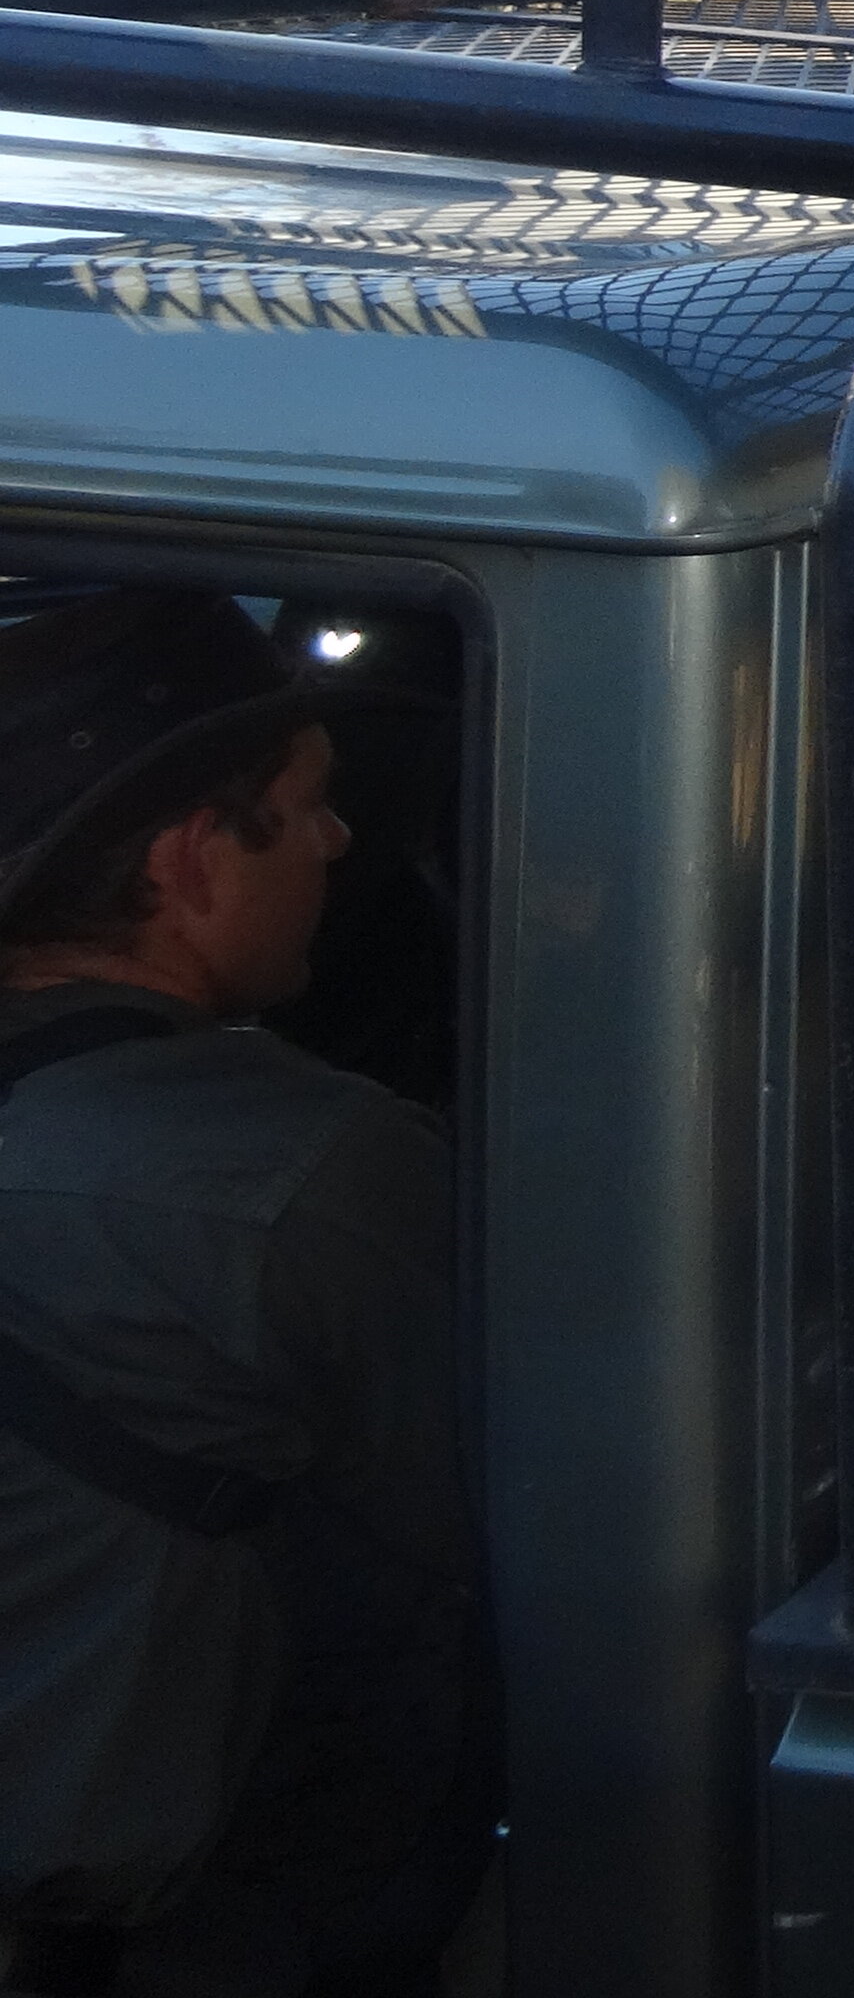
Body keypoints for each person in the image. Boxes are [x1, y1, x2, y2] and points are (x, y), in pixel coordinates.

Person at [0, 591, 487, 1997]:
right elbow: (520, 1541)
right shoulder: (307, 1172)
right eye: (312, 804)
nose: (342, 844)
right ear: (193, 861)